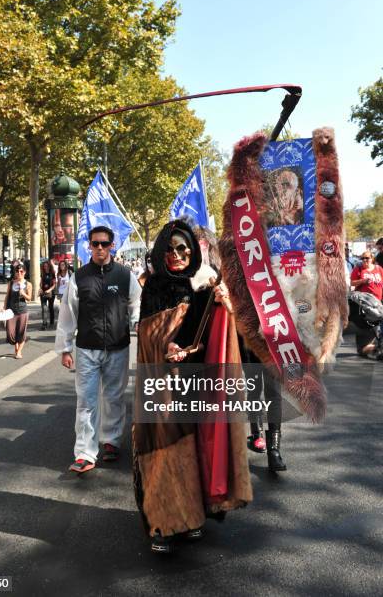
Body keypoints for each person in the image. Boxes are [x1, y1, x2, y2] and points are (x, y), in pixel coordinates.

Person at [134, 219, 252, 554]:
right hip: (157, 386)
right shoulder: (152, 289)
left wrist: (225, 303)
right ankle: (163, 523)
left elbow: (217, 335)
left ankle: (190, 517)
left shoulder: (199, 289)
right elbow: (147, 338)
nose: (176, 254)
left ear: (193, 252)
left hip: (191, 385)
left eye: (183, 248)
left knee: (191, 450)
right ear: (160, 251)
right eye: (169, 248)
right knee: (161, 454)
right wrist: (163, 350)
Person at [55, 225, 141, 473]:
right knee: (86, 401)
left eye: (104, 243)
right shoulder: (79, 277)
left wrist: (137, 322)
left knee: (114, 398)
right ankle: (84, 453)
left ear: (112, 245)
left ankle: (111, 442)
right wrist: (65, 348)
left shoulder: (125, 276)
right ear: (89, 246)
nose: (100, 248)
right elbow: (68, 314)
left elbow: (136, 303)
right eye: (95, 244)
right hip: (86, 349)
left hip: (118, 347)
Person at [350, 252, 383, 357]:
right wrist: (362, 281)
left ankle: (377, 347)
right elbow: (351, 283)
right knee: (370, 325)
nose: (364, 260)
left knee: (377, 326)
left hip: (378, 303)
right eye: (362, 258)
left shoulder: (379, 269)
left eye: (367, 258)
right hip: (365, 305)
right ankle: (377, 347)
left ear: (372, 258)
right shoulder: (358, 269)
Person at [4, 263, 32, 359]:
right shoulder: (11, 283)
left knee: (21, 332)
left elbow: (29, 298)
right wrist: (4, 308)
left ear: (24, 272)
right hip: (11, 311)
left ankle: (19, 351)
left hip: (22, 311)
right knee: (10, 332)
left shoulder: (28, 284)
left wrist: (23, 293)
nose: (19, 273)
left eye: (21, 271)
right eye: (17, 271)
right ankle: (16, 348)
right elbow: (7, 296)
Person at [39, 261, 56, 329]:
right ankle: (44, 323)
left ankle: (51, 322)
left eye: (47, 266)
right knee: (44, 308)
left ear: (49, 266)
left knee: (50, 307)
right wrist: (40, 288)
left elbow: (54, 284)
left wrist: (49, 290)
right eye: (44, 266)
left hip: (51, 293)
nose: (45, 267)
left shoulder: (52, 273)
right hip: (43, 293)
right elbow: (41, 282)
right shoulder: (42, 273)